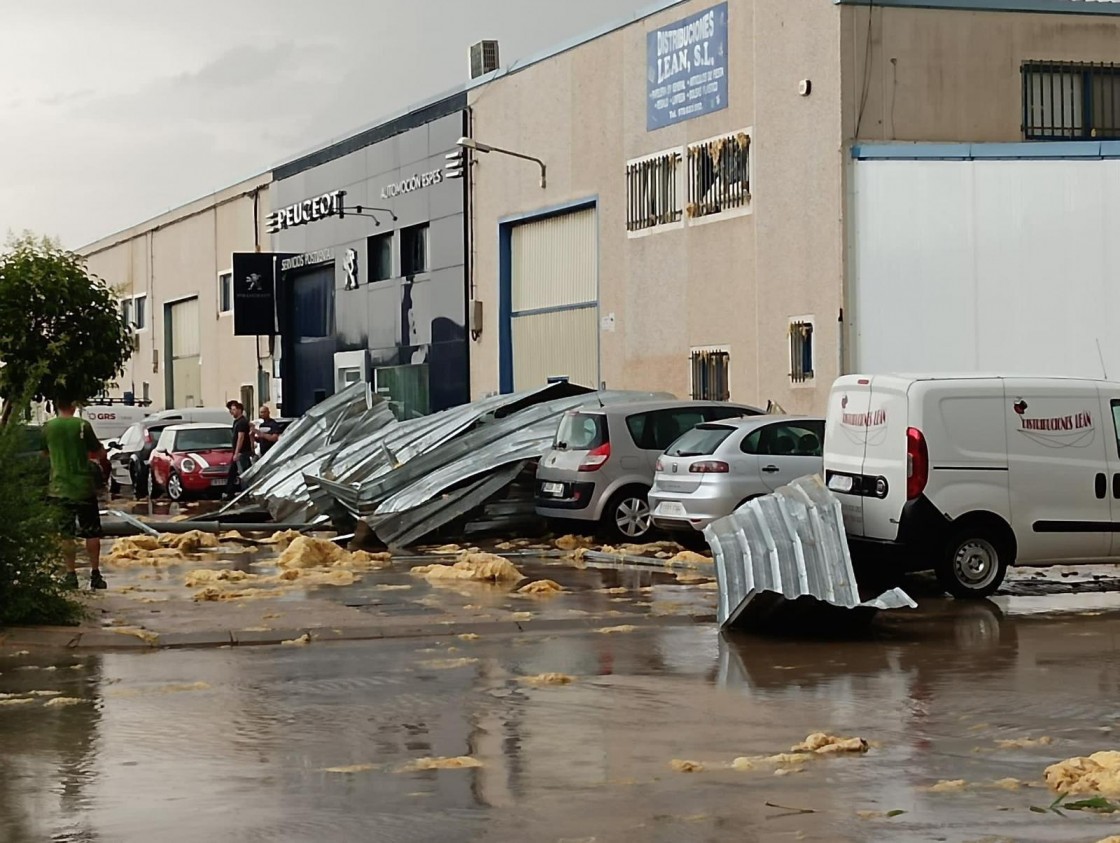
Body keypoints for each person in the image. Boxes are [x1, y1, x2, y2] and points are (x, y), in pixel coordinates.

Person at [41, 399, 109, 590]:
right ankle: (95, 574)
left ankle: (71, 575)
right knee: (92, 532)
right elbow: (98, 453)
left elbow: (45, 454)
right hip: (83, 488)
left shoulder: (48, 428)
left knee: (66, 534)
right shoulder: (82, 425)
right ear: (72, 405)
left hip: (59, 489)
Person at [224, 399, 251, 500]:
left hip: (241, 453)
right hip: (238, 452)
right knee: (232, 472)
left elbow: (241, 437)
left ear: (240, 410)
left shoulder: (242, 422)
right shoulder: (237, 422)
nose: (232, 412)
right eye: (231, 410)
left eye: (234, 410)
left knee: (243, 473)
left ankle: (246, 494)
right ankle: (230, 492)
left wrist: (237, 452)